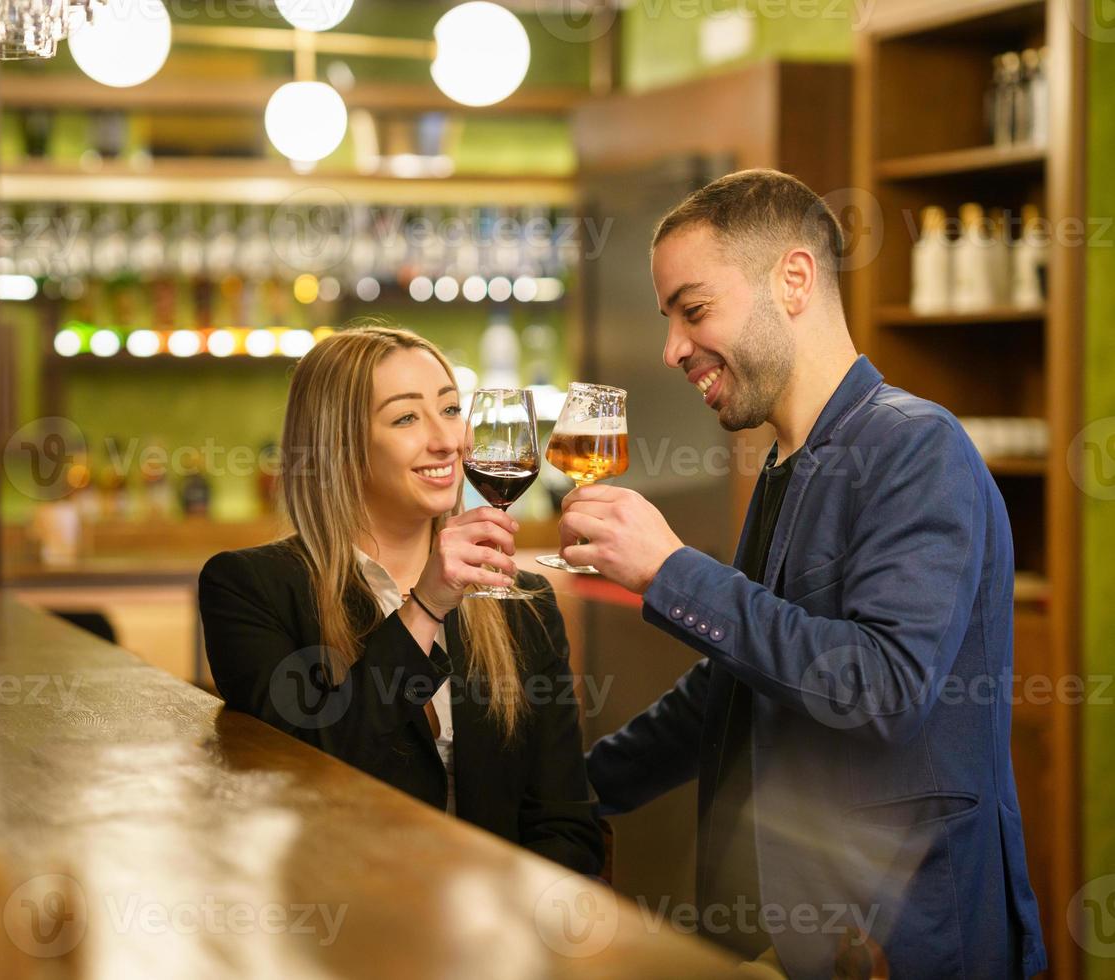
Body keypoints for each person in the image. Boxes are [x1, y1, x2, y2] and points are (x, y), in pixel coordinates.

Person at [568, 170, 1046, 976]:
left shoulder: (915, 447)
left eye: (694, 309)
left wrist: (671, 573)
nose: (673, 348)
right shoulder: (788, 464)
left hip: (910, 936)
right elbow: (733, 688)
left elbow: (883, 687)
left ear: (793, 279)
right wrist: (569, 793)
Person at [199, 325, 603, 876]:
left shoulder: (523, 600)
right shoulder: (250, 588)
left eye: (451, 409)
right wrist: (426, 606)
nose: (447, 440)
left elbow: (565, 822)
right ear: (337, 445)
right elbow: (308, 769)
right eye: (407, 418)